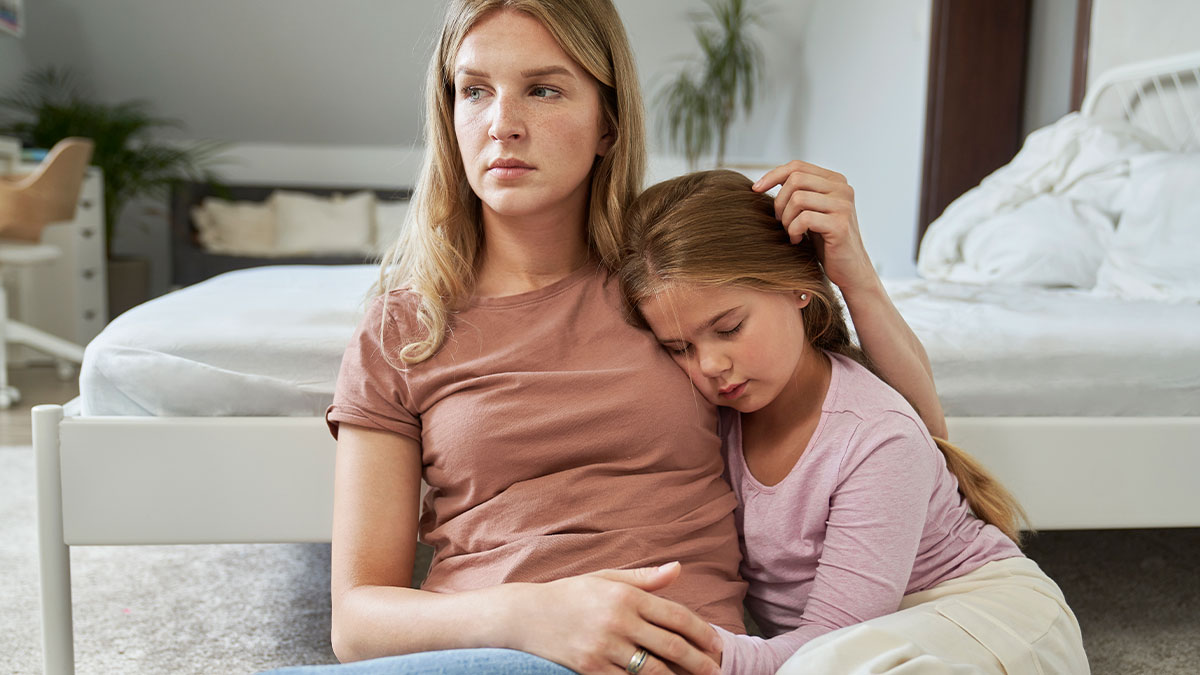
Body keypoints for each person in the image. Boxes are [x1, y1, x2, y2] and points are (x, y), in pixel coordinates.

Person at [266, 1, 946, 673]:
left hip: (668, 653)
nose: (502, 124)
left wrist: (856, 278)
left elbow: (914, 444)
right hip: (483, 651)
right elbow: (355, 620)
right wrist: (530, 614)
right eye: (474, 91)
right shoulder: (403, 327)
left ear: (608, 125)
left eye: (543, 89)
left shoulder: (668, 292)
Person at [617, 169, 1090, 674]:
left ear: (799, 289)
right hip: (851, 642)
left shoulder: (874, 435)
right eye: (680, 348)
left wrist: (697, 651)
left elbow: (832, 638)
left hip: (985, 620)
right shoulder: (710, 418)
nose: (709, 365)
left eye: (729, 328)